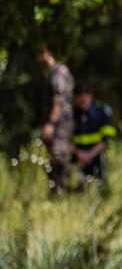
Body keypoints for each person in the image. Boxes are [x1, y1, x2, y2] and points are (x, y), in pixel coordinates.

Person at [39, 50, 74, 192]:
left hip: (60, 122)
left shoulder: (57, 73)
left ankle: (66, 190)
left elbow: (58, 100)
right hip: (62, 121)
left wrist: (51, 124)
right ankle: (59, 190)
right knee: (56, 157)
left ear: (48, 54)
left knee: (58, 157)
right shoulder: (59, 71)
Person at [70, 86, 118, 183]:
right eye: (79, 95)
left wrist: (90, 154)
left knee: (99, 184)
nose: (83, 98)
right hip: (76, 157)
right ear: (75, 97)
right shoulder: (70, 114)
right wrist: (79, 154)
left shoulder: (100, 112)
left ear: (91, 96)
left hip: (97, 156)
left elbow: (108, 136)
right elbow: (64, 139)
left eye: (86, 94)